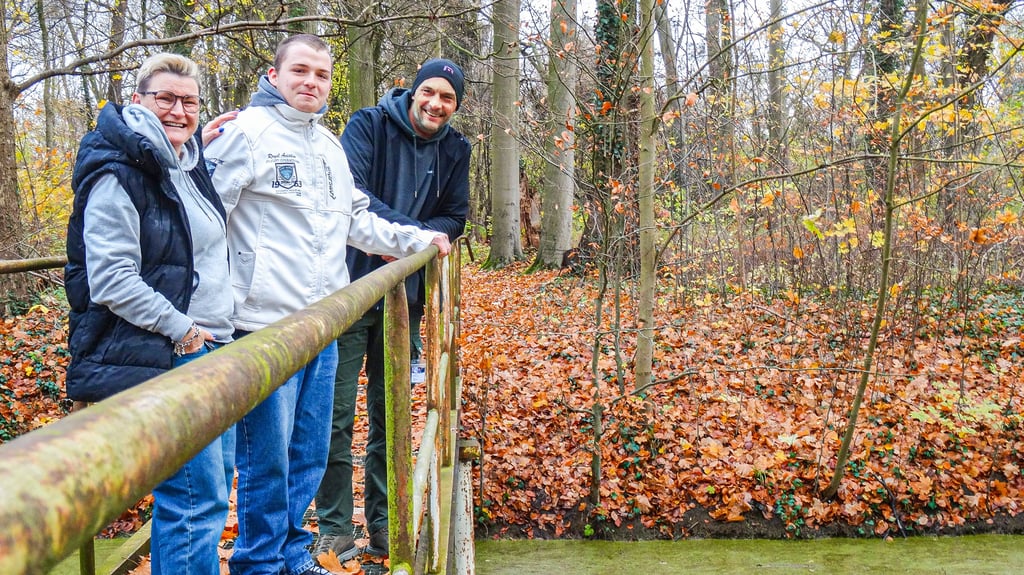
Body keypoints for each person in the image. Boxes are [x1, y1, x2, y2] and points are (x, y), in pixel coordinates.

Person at [202, 34, 451, 575]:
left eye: (320, 74)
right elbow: (203, 217)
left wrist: (419, 241)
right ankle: (259, 563)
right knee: (267, 460)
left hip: (324, 324)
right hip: (263, 326)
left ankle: (292, 554)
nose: (310, 82)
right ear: (275, 75)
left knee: (308, 454)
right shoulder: (245, 134)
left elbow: (356, 218)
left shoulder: (329, 148)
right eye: (300, 71)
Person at [64, 53, 236, 575]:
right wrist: (183, 331)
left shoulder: (183, 165)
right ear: (137, 101)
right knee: (192, 500)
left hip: (212, 350)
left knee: (210, 490)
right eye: (165, 98)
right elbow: (112, 277)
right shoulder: (118, 173)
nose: (179, 110)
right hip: (172, 353)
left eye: (189, 101)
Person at [313, 58, 471, 560]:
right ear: (413, 91)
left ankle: (385, 522)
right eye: (430, 92)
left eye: (447, 98)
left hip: (407, 300)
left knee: (393, 412)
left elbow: (456, 217)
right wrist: (412, 237)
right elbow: (353, 197)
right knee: (335, 415)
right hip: (349, 291)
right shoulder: (367, 125)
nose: (436, 104)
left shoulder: (457, 149)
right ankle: (335, 526)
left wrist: (409, 245)